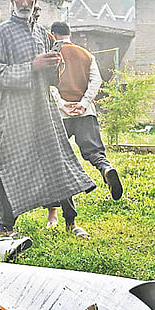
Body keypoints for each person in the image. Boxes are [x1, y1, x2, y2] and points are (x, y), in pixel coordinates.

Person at [0, 0, 94, 236]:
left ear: (36, 1)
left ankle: (71, 222)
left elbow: (50, 79)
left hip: (42, 108)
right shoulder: (2, 32)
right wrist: (32, 66)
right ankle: (5, 226)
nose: (24, 2)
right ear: (12, 0)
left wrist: (56, 66)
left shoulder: (42, 34)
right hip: (13, 111)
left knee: (56, 158)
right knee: (10, 163)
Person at [45, 21, 122, 229]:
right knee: (95, 152)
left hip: (60, 115)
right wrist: (83, 103)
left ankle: (65, 217)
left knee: (59, 162)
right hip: (85, 113)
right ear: (69, 35)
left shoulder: (52, 54)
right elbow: (96, 82)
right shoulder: (86, 54)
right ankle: (106, 169)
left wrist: (63, 104)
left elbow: (50, 84)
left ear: (53, 35)